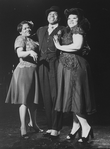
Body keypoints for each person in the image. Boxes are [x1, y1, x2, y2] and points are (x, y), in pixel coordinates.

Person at [53, 8, 96, 143]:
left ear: (79, 20)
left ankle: (86, 126)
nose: (71, 20)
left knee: (75, 96)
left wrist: (59, 46)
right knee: (71, 97)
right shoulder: (68, 31)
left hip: (75, 66)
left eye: (74, 18)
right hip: (67, 66)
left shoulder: (77, 30)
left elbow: (77, 46)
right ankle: (75, 127)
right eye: (69, 18)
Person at [5, 20, 43, 139]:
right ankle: (23, 127)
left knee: (33, 100)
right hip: (24, 70)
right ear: (21, 30)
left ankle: (33, 123)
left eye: (29, 28)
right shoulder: (20, 38)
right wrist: (30, 51)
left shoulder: (33, 40)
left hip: (33, 71)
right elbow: (20, 54)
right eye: (25, 28)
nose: (28, 30)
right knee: (24, 100)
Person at [36, 6, 64, 138]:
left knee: (55, 95)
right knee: (46, 95)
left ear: (58, 17)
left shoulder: (63, 29)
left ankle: (57, 127)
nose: (52, 16)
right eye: (50, 14)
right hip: (42, 64)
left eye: (55, 14)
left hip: (56, 63)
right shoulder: (41, 30)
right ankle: (50, 126)